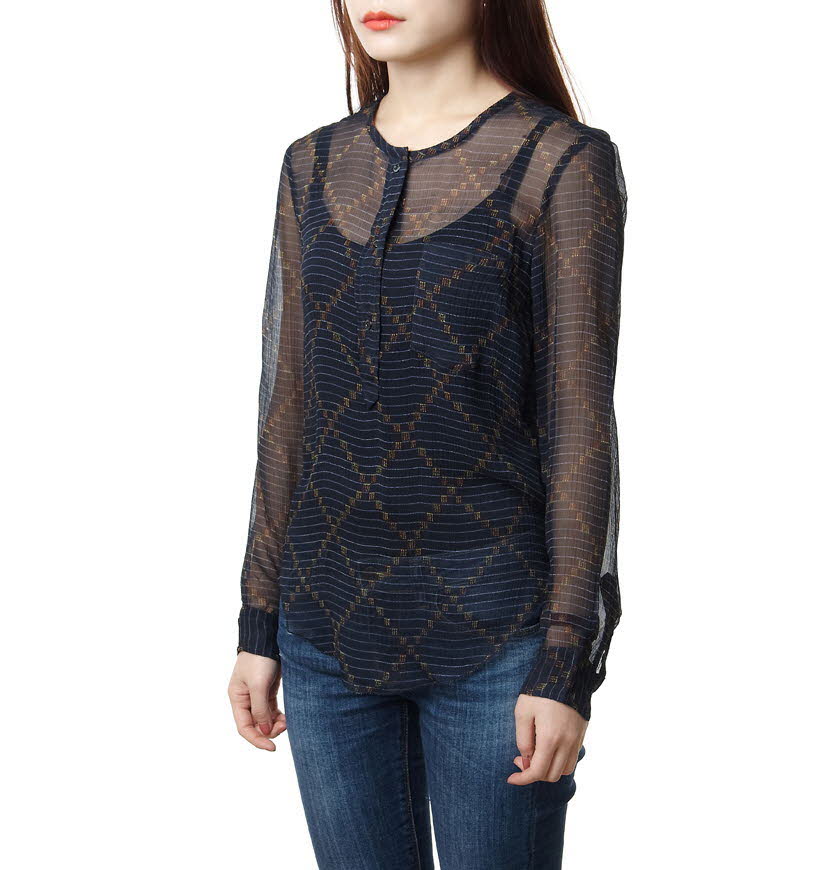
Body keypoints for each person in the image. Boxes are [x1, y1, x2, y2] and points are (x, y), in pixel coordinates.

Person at [227, 2, 627, 867]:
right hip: (324, 635)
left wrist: (566, 659)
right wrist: (259, 620)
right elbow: (286, 406)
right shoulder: (311, 164)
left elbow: (579, 427)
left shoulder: (560, 161)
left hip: (497, 639)